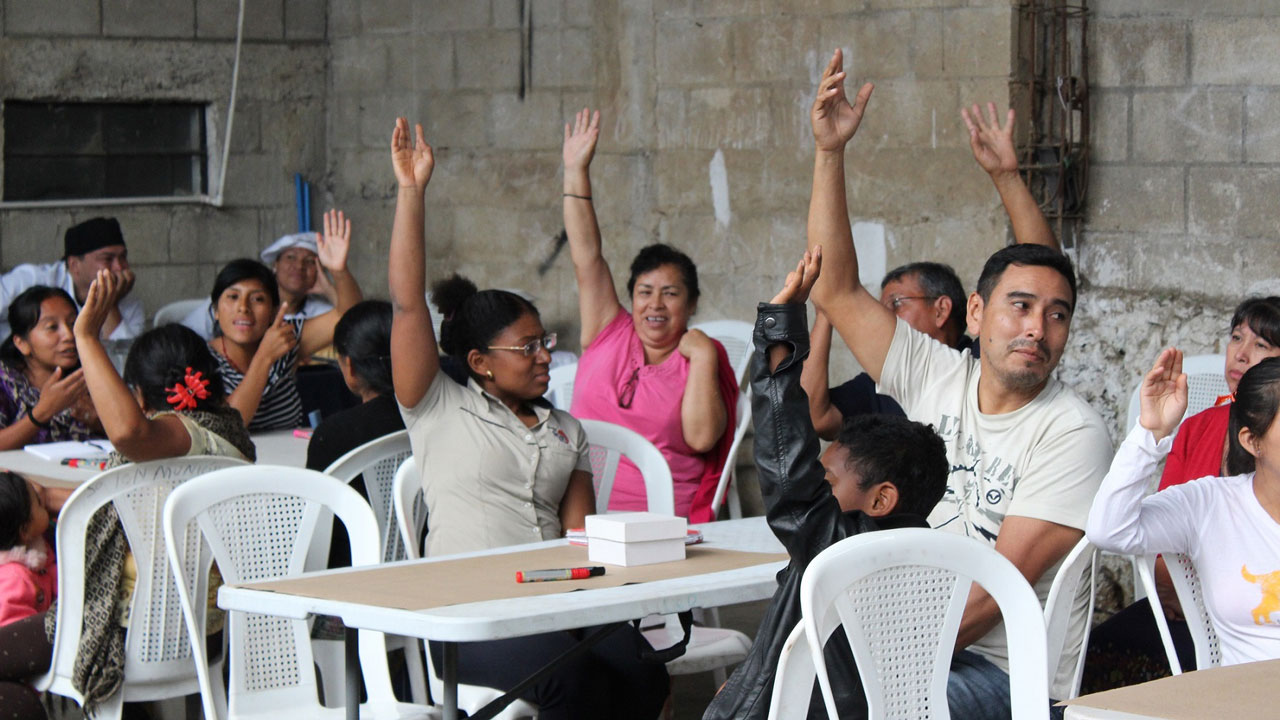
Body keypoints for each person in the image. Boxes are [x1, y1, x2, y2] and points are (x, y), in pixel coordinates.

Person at [803, 49, 1113, 716]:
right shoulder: (936, 373)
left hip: (1006, 677)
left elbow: (988, 596)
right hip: (912, 642)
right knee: (778, 680)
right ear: (976, 315)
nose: (1036, 329)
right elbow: (832, 288)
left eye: (1056, 316)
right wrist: (829, 153)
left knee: (839, 700)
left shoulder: (1073, 432)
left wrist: (868, 659)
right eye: (1019, 309)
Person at [388, 116, 667, 719]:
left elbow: (579, 541)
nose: (546, 356)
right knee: (570, 681)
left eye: (546, 341)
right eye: (528, 348)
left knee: (643, 671)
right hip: (468, 614)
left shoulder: (568, 430)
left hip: (553, 601)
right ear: (480, 362)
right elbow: (408, 303)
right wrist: (412, 193)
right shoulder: (439, 406)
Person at [704, 248, 949, 720]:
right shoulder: (925, 555)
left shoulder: (851, 552)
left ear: (881, 499)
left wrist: (779, 334)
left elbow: (791, 482)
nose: (818, 486)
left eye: (828, 479)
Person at [0, 269, 255, 719]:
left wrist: (88, 337)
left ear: (139, 395)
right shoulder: (226, 434)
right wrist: (44, 495)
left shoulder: (175, 434)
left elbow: (127, 432)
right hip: (200, 629)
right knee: (15, 696)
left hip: (127, 626)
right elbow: (122, 500)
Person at [803, 107, 1060, 440]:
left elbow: (1046, 276)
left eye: (896, 302)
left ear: (943, 310)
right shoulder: (887, 377)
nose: (882, 315)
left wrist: (1007, 179)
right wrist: (828, 310)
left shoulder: (983, 362)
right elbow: (816, 417)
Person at [1082, 296, 1280, 689]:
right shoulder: (1213, 503)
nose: (1241, 354)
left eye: (1259, 344)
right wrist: (1149, 434)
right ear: (1252, 441)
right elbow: (1110, 530)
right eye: (1237, 338)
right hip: (1243, 701)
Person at [561, 108, 739, 522]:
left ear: (692, 304)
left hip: (658, 521)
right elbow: (586, 256)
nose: (655, 304)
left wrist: (706, 359)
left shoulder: (697, 357)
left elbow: (700, 437)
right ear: (630, 298)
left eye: (670, 293)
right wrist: (575, 172)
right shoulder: (608, 330)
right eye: (644, 292)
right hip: (578, 514)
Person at [207, 208, 362, 432]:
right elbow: (231, 424)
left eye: (258, 299)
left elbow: (349, 316)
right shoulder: (203, 358)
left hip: (289, 461)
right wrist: (265, 356)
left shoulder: (285, 337)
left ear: (273, 311)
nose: (243, 308)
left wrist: (339, 272)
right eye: (232, 297)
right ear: (216, 311)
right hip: (238, 466)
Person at [306, 300, 404, 568]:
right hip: (425, 561)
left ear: (349, 367)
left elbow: (316, 523)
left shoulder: (334, 434)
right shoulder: (435, 418)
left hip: (349, 575)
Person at [0, 217, 141, 341]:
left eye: (123, 257)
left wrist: (110, 304)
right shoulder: (35, 279)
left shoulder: (127, 300)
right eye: (107, 259)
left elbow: (125, 362)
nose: (119, 267)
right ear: (74, 265)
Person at [179, 231, 338, 340]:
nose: (299, 266)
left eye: (310, 262)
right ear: (275, 265)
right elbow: (185, 335)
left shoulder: (320, 310)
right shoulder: (227, 302)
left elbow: (353, 323)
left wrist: (329, 289)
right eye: (290, 258)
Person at [0, 286, 100, 450]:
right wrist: (43, 411)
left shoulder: (90, 375)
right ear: (22, 343)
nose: (68, 335)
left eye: (73, 323)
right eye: (52, 327)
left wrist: (97, 421)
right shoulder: (5, 381)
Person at [0, 473, 56, 628]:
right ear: (24, 530)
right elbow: (17, 634)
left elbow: (53, 573)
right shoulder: (14, 579)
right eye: (38, 503)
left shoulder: (37, 548)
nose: (44, 503)